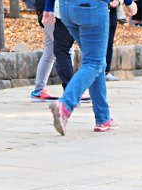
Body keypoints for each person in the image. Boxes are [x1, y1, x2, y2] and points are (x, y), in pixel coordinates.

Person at [44, 0, 136, 134]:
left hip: (66, 8)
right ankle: (65, 104)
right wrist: (129, 2)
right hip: (91, 7)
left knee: (97, 61)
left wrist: (49, 6)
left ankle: (103, 118)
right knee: (94, 62)